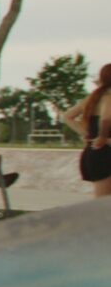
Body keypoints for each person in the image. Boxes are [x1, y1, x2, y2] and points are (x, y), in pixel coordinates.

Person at [62, 62, 111, 198]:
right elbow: (106, 118)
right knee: (104, 205)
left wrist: (87, 134)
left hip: (94, 153)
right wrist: (102, 137)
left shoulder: (93, 98)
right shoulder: (108, 96)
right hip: (105, 154)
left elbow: (67, 116)